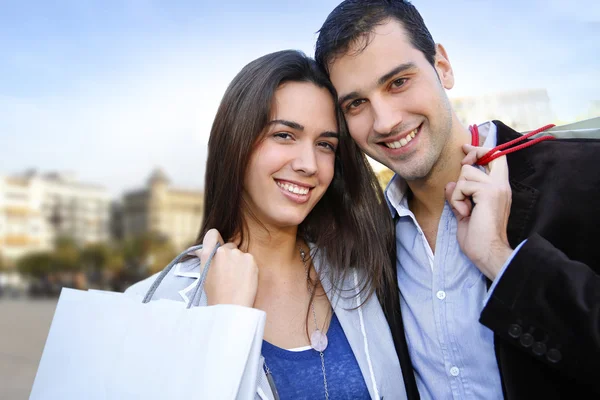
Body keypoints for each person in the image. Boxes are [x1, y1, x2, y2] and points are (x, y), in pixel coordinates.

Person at [314, 1, 600, 399]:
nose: (385, 121)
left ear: (442, 67)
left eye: (398, 82)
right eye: (356, 104)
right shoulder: (366, 242)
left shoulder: (586, 174)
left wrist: (501, 259)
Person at [126, 50, 409, 399]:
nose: (308, 164)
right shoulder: (152, 306)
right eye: (284, 135)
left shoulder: (361, 276)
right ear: (237, 142)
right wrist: (225, 323)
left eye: (325, 144)